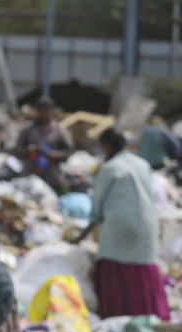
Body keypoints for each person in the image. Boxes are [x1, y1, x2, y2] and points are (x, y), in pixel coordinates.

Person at [73, 128, 170, 320]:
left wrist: (80, 237)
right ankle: (149, 315)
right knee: (142, 269)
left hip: (118, 227)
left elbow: (97, 209)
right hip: (146, 224)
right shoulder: (142, 164)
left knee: (117, 268)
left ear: (107, 146)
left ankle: (116, 316)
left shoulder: (110, 168)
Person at [13, 96, 74, 192]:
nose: (44, 114)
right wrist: (31, 151)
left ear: (52, 111)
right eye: (41, 111)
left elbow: (68, 152)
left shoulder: (59, 130)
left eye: (47, 111)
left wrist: (50, 154)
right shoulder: (28, 129)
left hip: (52, 176)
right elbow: (17, 151)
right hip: (30, 174)